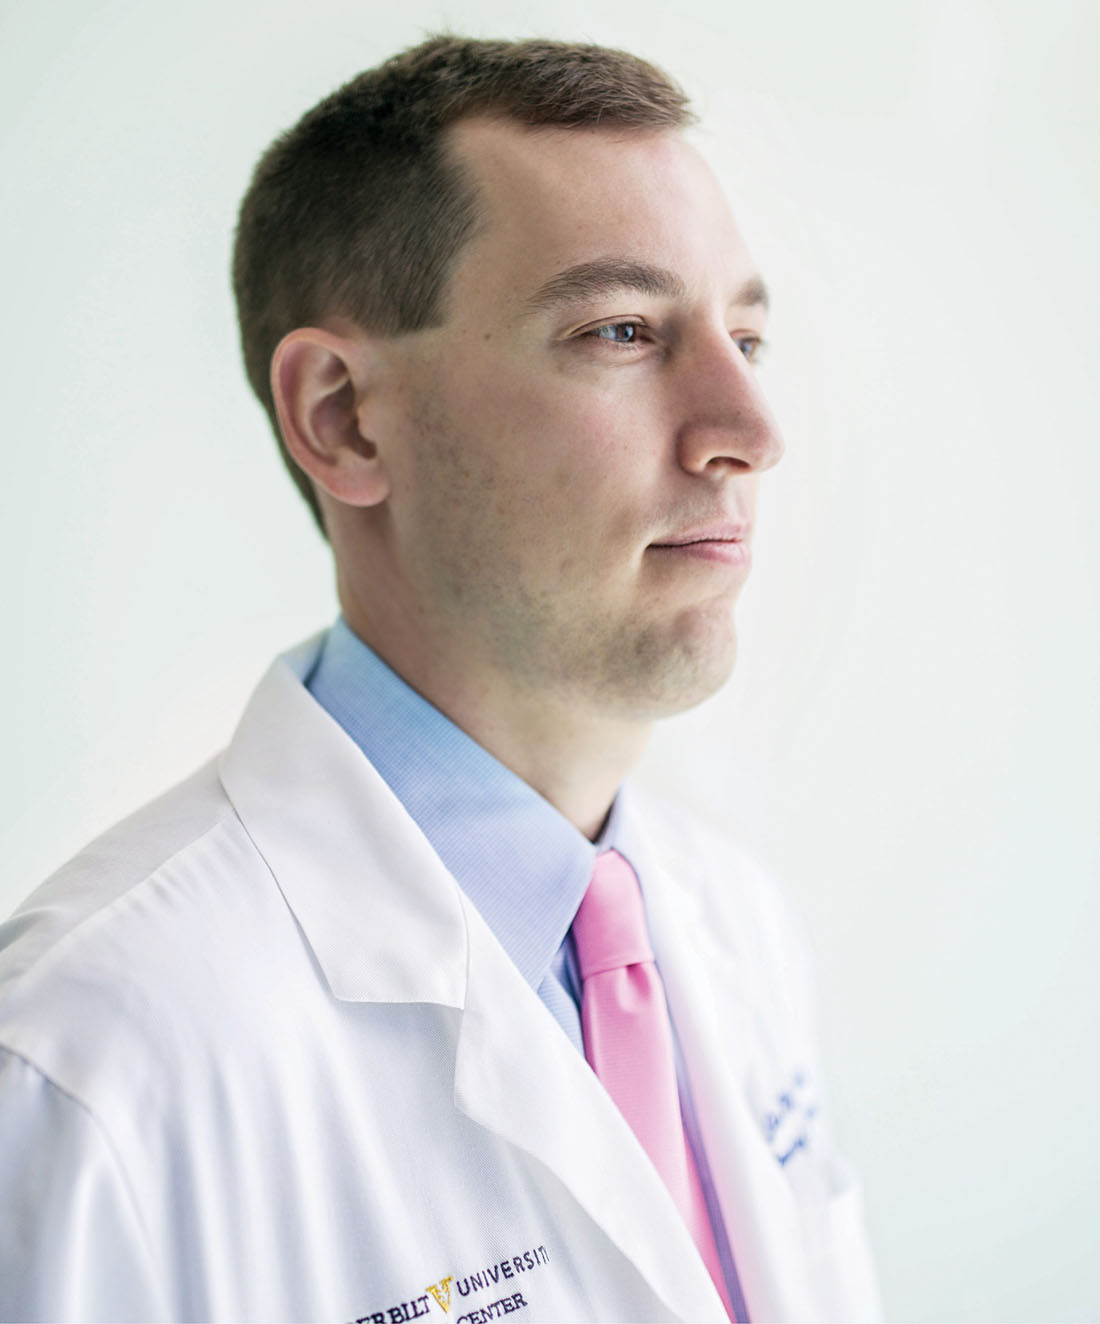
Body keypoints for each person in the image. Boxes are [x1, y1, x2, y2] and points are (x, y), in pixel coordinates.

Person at [0, 35, 882, 1324]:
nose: (751, 431)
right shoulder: (90, 1064)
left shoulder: (737, 924)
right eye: (622, 331)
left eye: (746, 337)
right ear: (345, 416)